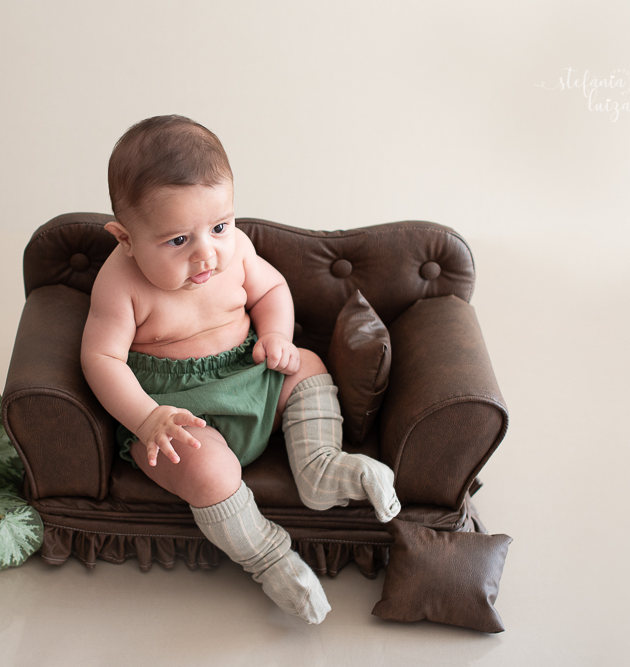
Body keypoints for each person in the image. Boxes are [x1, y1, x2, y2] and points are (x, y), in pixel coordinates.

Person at [81, 115, 401, 624]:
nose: (206, 254)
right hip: (178, 415)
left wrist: (276, 336)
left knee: (308, 364)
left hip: (252, 378)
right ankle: (268, 557)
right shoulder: (119, 284)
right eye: (178, 240)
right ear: (125, 238)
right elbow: (101, 358)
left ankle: (320, 466)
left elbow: (272, 289)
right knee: (206, 470)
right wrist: (146, 418)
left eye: (219, 227)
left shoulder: (238, 252)